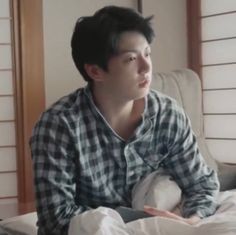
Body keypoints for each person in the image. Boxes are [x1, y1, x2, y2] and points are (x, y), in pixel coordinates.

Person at [30, 5, 219, 235]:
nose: (147, 67)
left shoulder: (167, 115)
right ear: (95, 71)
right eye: (131, 59)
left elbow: (202, 185)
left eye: (147, 54)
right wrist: (138, 223)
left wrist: (191, 220)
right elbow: (56, 218)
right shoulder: (59, 126)